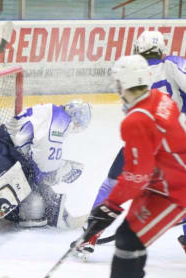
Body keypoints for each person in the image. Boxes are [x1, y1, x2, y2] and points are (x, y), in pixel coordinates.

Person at [83, 55, 186, 278]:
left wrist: (111, 205)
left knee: (130, 238)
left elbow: (136, 174)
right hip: (164, 181)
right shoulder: (162, 100)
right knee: (130, 236)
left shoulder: (136, 120)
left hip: (176, 189)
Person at [75, 30, 186, 258]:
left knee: (112, 184)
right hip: (173, 142)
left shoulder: (132, 73)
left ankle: (90, 235)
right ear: (162, 49)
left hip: (141, 138)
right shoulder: (173, 63)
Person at [0, 99, 92, 230]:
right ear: (76, 120)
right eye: (78, 125)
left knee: (35, 203)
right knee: (34, 206)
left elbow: (37, 163)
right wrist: (63, 170)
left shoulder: (50, 111)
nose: (75, 128)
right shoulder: (60, 119)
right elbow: (46, 167)